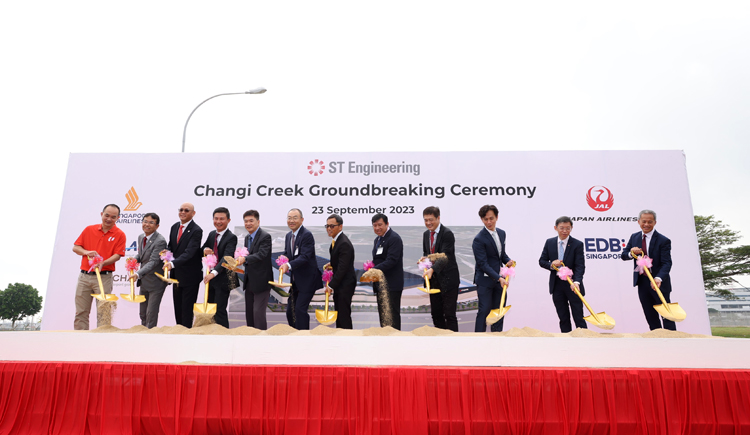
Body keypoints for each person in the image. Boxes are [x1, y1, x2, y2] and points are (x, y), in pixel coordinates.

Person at [72, 204, 126, 330]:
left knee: (103, 311)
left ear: (118, 218)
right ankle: (80, 337)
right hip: (84, 276)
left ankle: (102, 339)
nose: (109, 219)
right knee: (81, 311)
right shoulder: (89, 229)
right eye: (107, 215)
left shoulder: (120, 234)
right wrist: (86, 252)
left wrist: (103, 263)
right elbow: (76, 247)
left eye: (113, 217)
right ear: (101, 214)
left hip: (104, 277)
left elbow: (118, 255)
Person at [621, 209, 676, 331]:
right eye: (644, 221)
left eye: (650, 222)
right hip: (643, 282)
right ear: (638, 222)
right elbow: (624, 255)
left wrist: (658, 278)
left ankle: (672, 338)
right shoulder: (634, 237)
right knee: (650, 314)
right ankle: (656, 337)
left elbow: (667, 263)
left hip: (658, 282)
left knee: (667, 315)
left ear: (655, 222)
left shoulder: (663, 240)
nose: (646, 224)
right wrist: (631, 253)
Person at [538, 216, 587, 333]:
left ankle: (584, 338)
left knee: (578, 316)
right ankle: (566, 339)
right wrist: (552, 264)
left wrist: (576, 282)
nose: (565, 231)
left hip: (573, 285)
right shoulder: (549, 242)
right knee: (563, 317)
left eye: (567, 228)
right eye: (561, 228)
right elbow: (542, 261)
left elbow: (580, 266)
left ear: (571, 228)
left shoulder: (577, 244)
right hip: (557, 285)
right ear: (555, 228)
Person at [278, 208, 322, 330]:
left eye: (295, 218)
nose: (291, 221)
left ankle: (303, 336)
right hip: (295, 281)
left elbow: (305, 257)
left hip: (308, 280)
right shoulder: (288, 236)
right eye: (289, 218)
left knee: (299, 310)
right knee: (290, 311)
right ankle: (294, 334)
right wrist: (284, 257)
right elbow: (289, 253)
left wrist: (288, 265)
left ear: (302, 220)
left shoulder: (307, 235)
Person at [472, 204, 513, 332]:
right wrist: (499, 278)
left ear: (497, 217)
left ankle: (497, 337)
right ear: (482, 220)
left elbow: (500, 254)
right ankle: (479, 338)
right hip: (485, 281)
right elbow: (482, 264)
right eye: (486, 219)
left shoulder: (502, 233)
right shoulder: (478, 239)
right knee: (484, 311)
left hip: (499, 280)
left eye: (491, 218)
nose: (489, 222)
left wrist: (508, 261)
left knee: (499, 310)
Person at [420, 206, 460, 332]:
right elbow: (428, 253)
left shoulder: (447, 234)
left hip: (448, 280)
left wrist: (432, 269)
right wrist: (424, 259)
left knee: (449, 315)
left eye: (431, 219)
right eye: (425, 220)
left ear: (438, 218)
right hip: (434, 282)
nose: (428, 223)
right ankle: (440, 340)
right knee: (436, 314)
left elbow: (444, 257)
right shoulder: (426, 234)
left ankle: (453, 341)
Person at [166, 203, 204, 328]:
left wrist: (172, 263)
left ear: (193, 213)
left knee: (187, 310)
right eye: (181, 210)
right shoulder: (174, 227)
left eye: (186, 210)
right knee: (178, 308)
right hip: (176, 275)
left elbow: (190, 252)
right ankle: (179, 332)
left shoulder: (196, 230)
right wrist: (166, 253)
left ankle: (186, 334)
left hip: (190, 276)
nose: (183, 212)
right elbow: (171, 246)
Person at [201, 207, 238, 328]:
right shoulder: (212, 234)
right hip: (211, 279)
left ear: (228, 220)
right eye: (216, 218)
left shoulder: (231, 237)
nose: (218, 221)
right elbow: (204, 248)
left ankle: (224, 334)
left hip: (223, 279)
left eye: (222, 219)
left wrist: (214, 273)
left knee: (219, 310)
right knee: (210, 309)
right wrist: (205, 250)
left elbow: (227, 257)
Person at [236, 210, 273, 330]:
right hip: (249, 281)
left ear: (258, 221)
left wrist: (245, 259)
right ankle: (250, 337)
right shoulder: (247, 238)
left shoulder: (265, 236)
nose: (248, 224)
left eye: (251, 221)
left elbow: (262, 254)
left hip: (262, 281)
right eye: (246, 221)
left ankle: (261, 337)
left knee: (258, 313)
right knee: (250, 314)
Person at [133, 212, 168, 328]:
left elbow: (153, 261)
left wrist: (137, 274)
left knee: (151, 314)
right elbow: (142, 255)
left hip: (155, 282)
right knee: (142, 313)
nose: (147, 225)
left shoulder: (160, 241)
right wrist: (134, 260)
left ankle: (151, 335)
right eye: (145, 221)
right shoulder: (141, 237)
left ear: (157, 226)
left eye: (151, 223)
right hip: (144, 281)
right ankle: (143, 334)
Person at [371, 213, 404, 330]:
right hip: (381, 285)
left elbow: (392, 260)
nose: (377, 228)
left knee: (392, 317)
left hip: (391, 285)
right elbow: (379, 259)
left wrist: (374, 270)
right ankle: (385, 338)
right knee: (384, 317)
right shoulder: (377, 239)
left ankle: (394, 339)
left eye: (380, 225)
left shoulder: (394, 238)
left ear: (387, 224)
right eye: (375, 225)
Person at [324, 213, 356, 329]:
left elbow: (343, 268)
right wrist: (332, 264)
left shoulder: (344, 243)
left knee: (343, 315)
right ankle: (341, 336)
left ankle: (347, 337)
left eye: (332, 226)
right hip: (341, 284)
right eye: (327, 226)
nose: (329, 228)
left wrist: (331, 285)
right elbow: (341, 261)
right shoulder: (336, 241)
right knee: (340, 314)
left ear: (340, 226)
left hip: (345, 284)